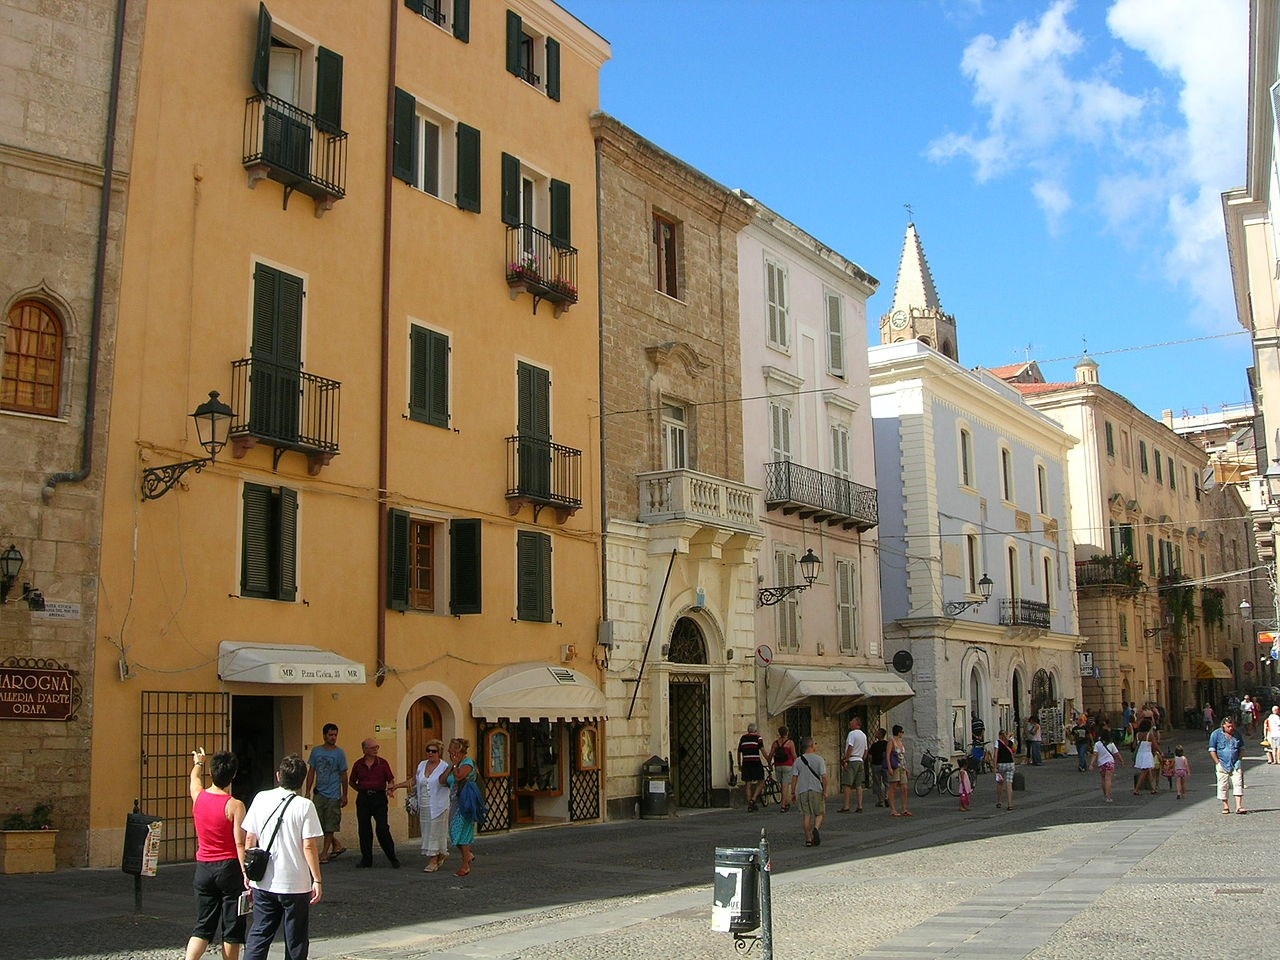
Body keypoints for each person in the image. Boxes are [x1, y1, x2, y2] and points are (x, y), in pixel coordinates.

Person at [241, 754, 323, 960]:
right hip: (295, 883)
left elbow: (250, 838)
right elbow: (309, 846)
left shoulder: (260, 798)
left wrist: (247, 872)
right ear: (303, 780)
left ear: (279, 776)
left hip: (264, 880)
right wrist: (317, 879)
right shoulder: (305, 806)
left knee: (260, 933)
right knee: (296, 939)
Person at [186, 749, 247, 960]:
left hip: (204, 867)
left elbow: (194, 779)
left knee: (202, 927)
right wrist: (246, 872)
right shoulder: (235, 805)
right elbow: (240, 843)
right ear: (234, 775)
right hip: (229, 868)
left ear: (211, 773)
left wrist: (198, 762)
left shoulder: (199, 797)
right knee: (232, 930)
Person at [348, 738, 400, 868]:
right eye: (372, 748)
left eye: (377, 747)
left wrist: (390, 789)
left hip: (379, 798)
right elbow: (352, 781)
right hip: (364, 798)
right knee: (364, 829)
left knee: (382, 828)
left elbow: (391, 779)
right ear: (364, 750)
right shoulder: (358, 764)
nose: (375, 750)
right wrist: (361, 790)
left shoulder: (382, 763)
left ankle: (392, 857)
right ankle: (366, 859)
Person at [403, 739, 450, 871]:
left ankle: (433, 861)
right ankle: (441, 853)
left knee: (435, 832)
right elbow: (414, 780)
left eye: (433, 751)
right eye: (428, 750)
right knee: (427, 831)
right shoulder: (422, 765)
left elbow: (447, 782)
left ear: (439, 752)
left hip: (439, 805)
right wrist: (396, 786)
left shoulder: (444, 766)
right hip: (424, 804)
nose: (430, 753)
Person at [304, 723, 348, 863]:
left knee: (330, 824)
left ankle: (324, 853)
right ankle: (337, 845)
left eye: (335, 735)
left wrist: (344, 794)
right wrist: (307, 791)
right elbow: (311, 771)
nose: (333, 737)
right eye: (330, 735)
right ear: (324, 735)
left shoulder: (339, 753)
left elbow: (343, 774)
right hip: (319, 793)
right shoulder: (316, 751)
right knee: (317, 822)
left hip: (333, 794)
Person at [446, 738, 479, 876]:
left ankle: (465, 865)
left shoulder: (467, 763)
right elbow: (444, 780)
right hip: (454, 802)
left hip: (465, 802)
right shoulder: (455, 764)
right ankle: (468, 855)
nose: (449, 752)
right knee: (454, 832)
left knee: (461, 831)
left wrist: (454, 766)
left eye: (451, 750)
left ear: (458, 751)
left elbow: (459, 776)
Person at [793, 736, 828, 846]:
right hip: (816, 789)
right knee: (820, 813)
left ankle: (808, 839)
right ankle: (816, 828)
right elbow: (824, 777)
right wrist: (825, 790)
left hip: (803, 790)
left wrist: (793, 792)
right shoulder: (819, 759)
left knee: (806, 815)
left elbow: (794, 777)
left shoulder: (798, 760)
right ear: (812, 746)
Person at [1208, 717, 1246, 815]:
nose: (1231, 728)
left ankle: (1239, 806)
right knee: (1222, 785)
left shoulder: (1237, 734)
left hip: (1235, 763)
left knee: (1238, 783)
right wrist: (1217, 762)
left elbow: (1242, 748)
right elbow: (1212, 750)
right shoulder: (1215, 734)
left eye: (1232, 726)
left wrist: (1239, 759)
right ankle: (1226, 806)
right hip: (1222, 763)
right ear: (1223, 726)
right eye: (1229, 726)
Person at [839, 717, 868, 813]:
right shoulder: (863, 735)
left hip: (852, 759)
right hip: (859, 760)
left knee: (847, 784)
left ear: (856, 724)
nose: (850, 723)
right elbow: (866, 750)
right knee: (858, 785)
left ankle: (846, 806)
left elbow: (850, 747)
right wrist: (862, 759)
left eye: (852, 721)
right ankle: (860, 805)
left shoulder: (852, 734)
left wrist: (846, 759)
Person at [736, 723, 766, 812]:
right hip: (756, 762)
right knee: (761, 782)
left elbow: (738, 751)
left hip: (746, 763)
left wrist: (739, 764)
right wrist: (768, 759)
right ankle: (753, 800)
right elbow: (762, 750)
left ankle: (750, 804)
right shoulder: (758, 738)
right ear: (755, 731)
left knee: (747, 784)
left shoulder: (743, 738)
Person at [768, 726, 796, 812]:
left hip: (778, 766)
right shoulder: (790, 743)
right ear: (787, 733)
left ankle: (786, 802)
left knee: (782, 785)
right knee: (785, 785)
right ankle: (783, 805)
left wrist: (769, 764)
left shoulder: (775, 743)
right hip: (788, 765)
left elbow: (770, 755)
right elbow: (794, 755)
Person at [886, 725, 912, 817]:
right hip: (895, 766)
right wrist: (889, 767)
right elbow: (888, 755)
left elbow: (902, 757)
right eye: (902, 732)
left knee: (904, 788)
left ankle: (904, 808)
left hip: (902, 767)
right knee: (893, 787)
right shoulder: (891, 741)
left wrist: (906, 768)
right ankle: (892, 809)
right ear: (899, 732)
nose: (903, 734)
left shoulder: (900, 741)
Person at [1088, 734, 1120, 802]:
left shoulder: (1097, 744)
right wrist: (1121, 761)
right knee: (1108, 780)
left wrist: (1091, 764)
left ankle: (1105, 795)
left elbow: (1095, 754)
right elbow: (1116, 753)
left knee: (1103, 779)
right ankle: (1108, 797)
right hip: (1110, 763)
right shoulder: (1111, 744)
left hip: (1101, 764)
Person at [1132, 718, 1159, 795]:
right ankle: (1136, 789)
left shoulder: (1137, 734)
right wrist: (1160, 752)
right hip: (1147, 754)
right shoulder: (1149, 735)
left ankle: (1152, 788)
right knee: (1144, 772)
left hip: (1140, 755)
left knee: (1148, 771)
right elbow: (1155, 745)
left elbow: (1134, 746)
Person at [994, 730, 1016, 810]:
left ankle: (999, 801)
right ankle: (1010, 804)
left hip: (1001, 764)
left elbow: (995, 754)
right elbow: (1014, 751)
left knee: (1000, 783)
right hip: (1010, 764)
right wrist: (1009, 737)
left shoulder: (997, 742)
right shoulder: (1010, 742)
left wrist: (994, 766)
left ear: (999, 736)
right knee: (1009, 784)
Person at [867, 727, 889, 808]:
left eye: (877, 732)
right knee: (886, 782)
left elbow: (870, 756)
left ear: (880, 734)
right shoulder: (887, 744)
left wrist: (871, 763)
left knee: (877, 783)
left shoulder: (874, 745)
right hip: (885, 765)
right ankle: (887, 796)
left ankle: (880, 800)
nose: (875, 733)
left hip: (876, 765)